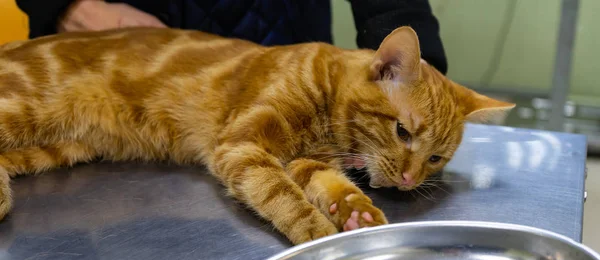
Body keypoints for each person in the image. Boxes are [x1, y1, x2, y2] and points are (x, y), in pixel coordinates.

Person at [16, 0, 447, 74]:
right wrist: (65, 6)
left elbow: (396, 9)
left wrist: (416, 65)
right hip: (108, 51)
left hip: (280, 48)